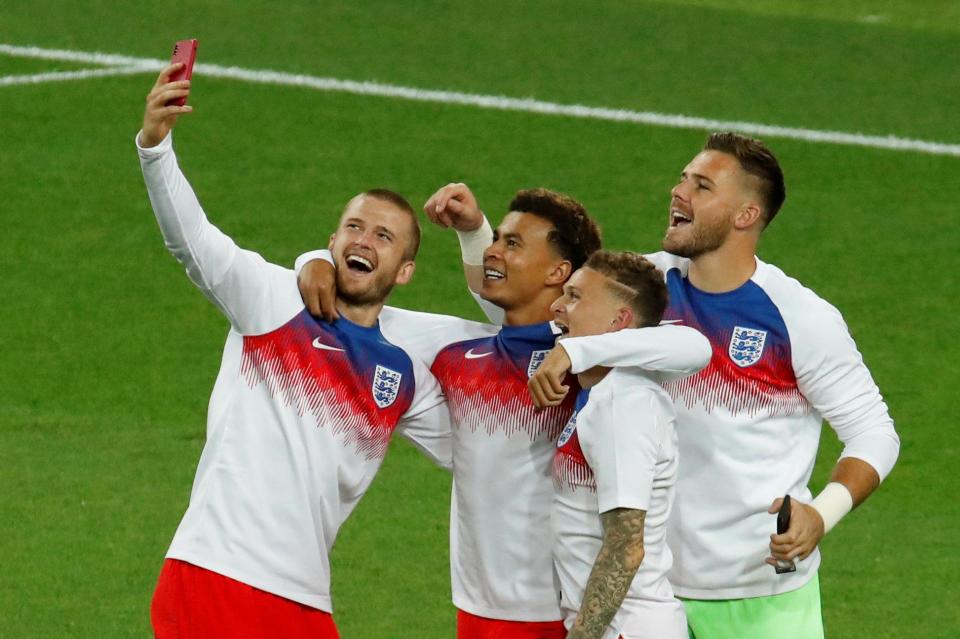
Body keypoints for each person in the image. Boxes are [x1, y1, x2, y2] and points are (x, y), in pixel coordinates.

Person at [528, 132, 901, 638]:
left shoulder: (799, 318)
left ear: (745, 216)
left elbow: (874, 432)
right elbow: (541, 311)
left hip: (759, 596)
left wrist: (823, 512)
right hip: (648, 595)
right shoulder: (643, 291)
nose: (679, 192)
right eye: (683, 179)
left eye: (702, 186)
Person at [296, 184, 711, 638]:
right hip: (475, 608)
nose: (494, 251)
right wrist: (315, 258)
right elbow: (353, 302)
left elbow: (690, 344)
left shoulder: (588, 356)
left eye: (511, 243)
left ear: (560, 272)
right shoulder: (459, 346)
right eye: (496, 239)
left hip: (560, 612)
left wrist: (577, 354)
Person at [138, 63, 456, 639]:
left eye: (383, 237)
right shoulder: (271, 301)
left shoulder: (403, 368)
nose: (363, 240)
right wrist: (156, 148)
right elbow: (192, 240)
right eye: (353, 227)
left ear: (404, 271)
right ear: (332, 240)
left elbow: (482, 450)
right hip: (217, 571)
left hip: (303, 596)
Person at [549, 250, 687, 639]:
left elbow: (626, 548)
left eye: (575, 297)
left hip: (625, 628)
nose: (557, 306)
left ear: (618, 322)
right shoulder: (598, 394)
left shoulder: (621, 403)